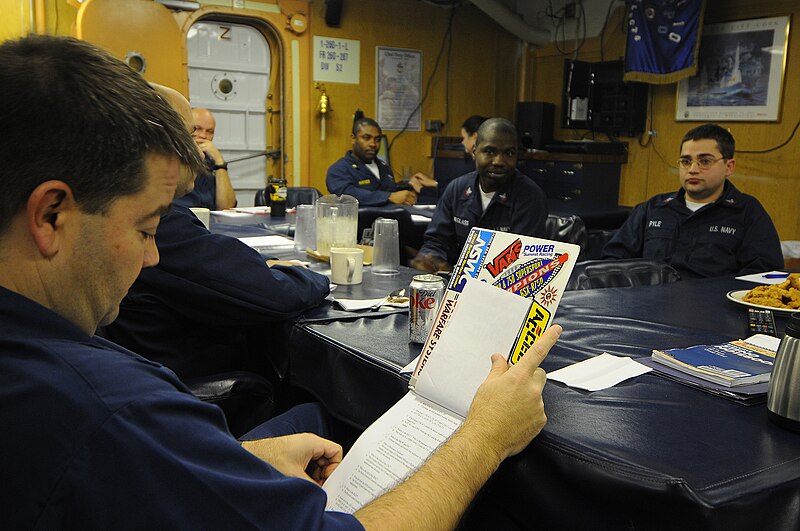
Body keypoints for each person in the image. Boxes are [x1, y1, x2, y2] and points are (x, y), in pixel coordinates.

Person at [1, 35, 561, 529]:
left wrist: (232, 461)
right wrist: (485, 437)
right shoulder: (114, 412)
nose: (152, 258)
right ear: (52, 216)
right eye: (147, 229)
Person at [102, 86, 330, 382]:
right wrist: (320, 278)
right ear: (157, 145)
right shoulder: (162, 224)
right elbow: (271, 294)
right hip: (198, 387)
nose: (199, 150)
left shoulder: (154, 216)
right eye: (190, 135)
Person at [602, 124, 783, 278]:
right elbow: (613, 261)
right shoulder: (654, 208)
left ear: (729, 167)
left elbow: (763, 277)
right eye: (686, 161)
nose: (693, 169)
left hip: (713, 312)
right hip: (646, 307)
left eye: (705, 161)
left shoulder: (747, 212)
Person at [411, 117, 549, 273]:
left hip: (503, 288)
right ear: (474, 151)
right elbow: (437, 241)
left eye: (509, 153)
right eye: (489, 152)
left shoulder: (530, 197)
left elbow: (522, 261)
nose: (499, 161)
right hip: (453, 284)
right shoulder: (456, 189)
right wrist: (431, 259)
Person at [326, 111, 437, 206]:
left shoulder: (384, 167)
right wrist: (388, 197)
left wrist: (408, 192)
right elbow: (347, 195)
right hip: (361, 225)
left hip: (392, 222)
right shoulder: (339, 169)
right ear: (353, 139)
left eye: (377, 139)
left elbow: (391, 192)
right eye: (366, 138)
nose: (373, 144)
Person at [174, 107, 237, 210]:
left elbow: (226, 207)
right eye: (198, 129)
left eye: (210, 131)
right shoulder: (173, 158)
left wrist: (220, 162)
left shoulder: (211, 160)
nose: (203, 135)